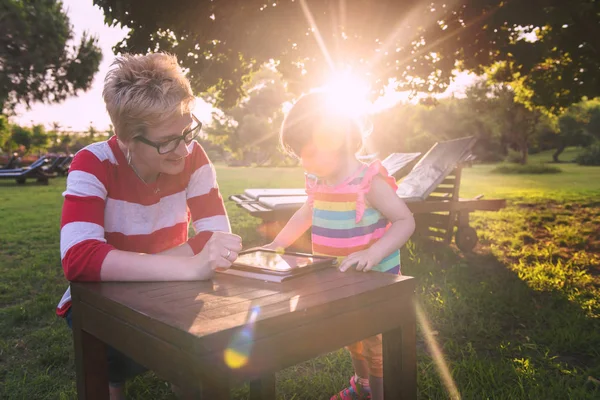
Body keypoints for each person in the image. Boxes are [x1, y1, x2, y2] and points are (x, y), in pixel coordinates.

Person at [55, 53, 242, 399]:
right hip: (100, 301)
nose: (184, 150)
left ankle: (178, 370)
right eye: (167, 141)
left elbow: (218, 240)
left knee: (203, 367)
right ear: (126, 137)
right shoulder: (92, 163)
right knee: (114, 358)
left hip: (168, 293)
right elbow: (79, 259)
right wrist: (187, 267)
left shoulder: (194, 156)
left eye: (187, 131)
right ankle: (115, 379)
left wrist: (176, 267)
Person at [265, 91, 416, 400]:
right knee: (355, 337)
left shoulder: (368, 181)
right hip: (340, 280)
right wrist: (277, 244)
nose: (303, 161)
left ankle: (379, 393)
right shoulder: (319, 181)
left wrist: (373, 253)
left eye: (306, 152)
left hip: (375, 282)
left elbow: (405, 221)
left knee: (376, 343)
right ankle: (362, 386)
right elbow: (307, 212)